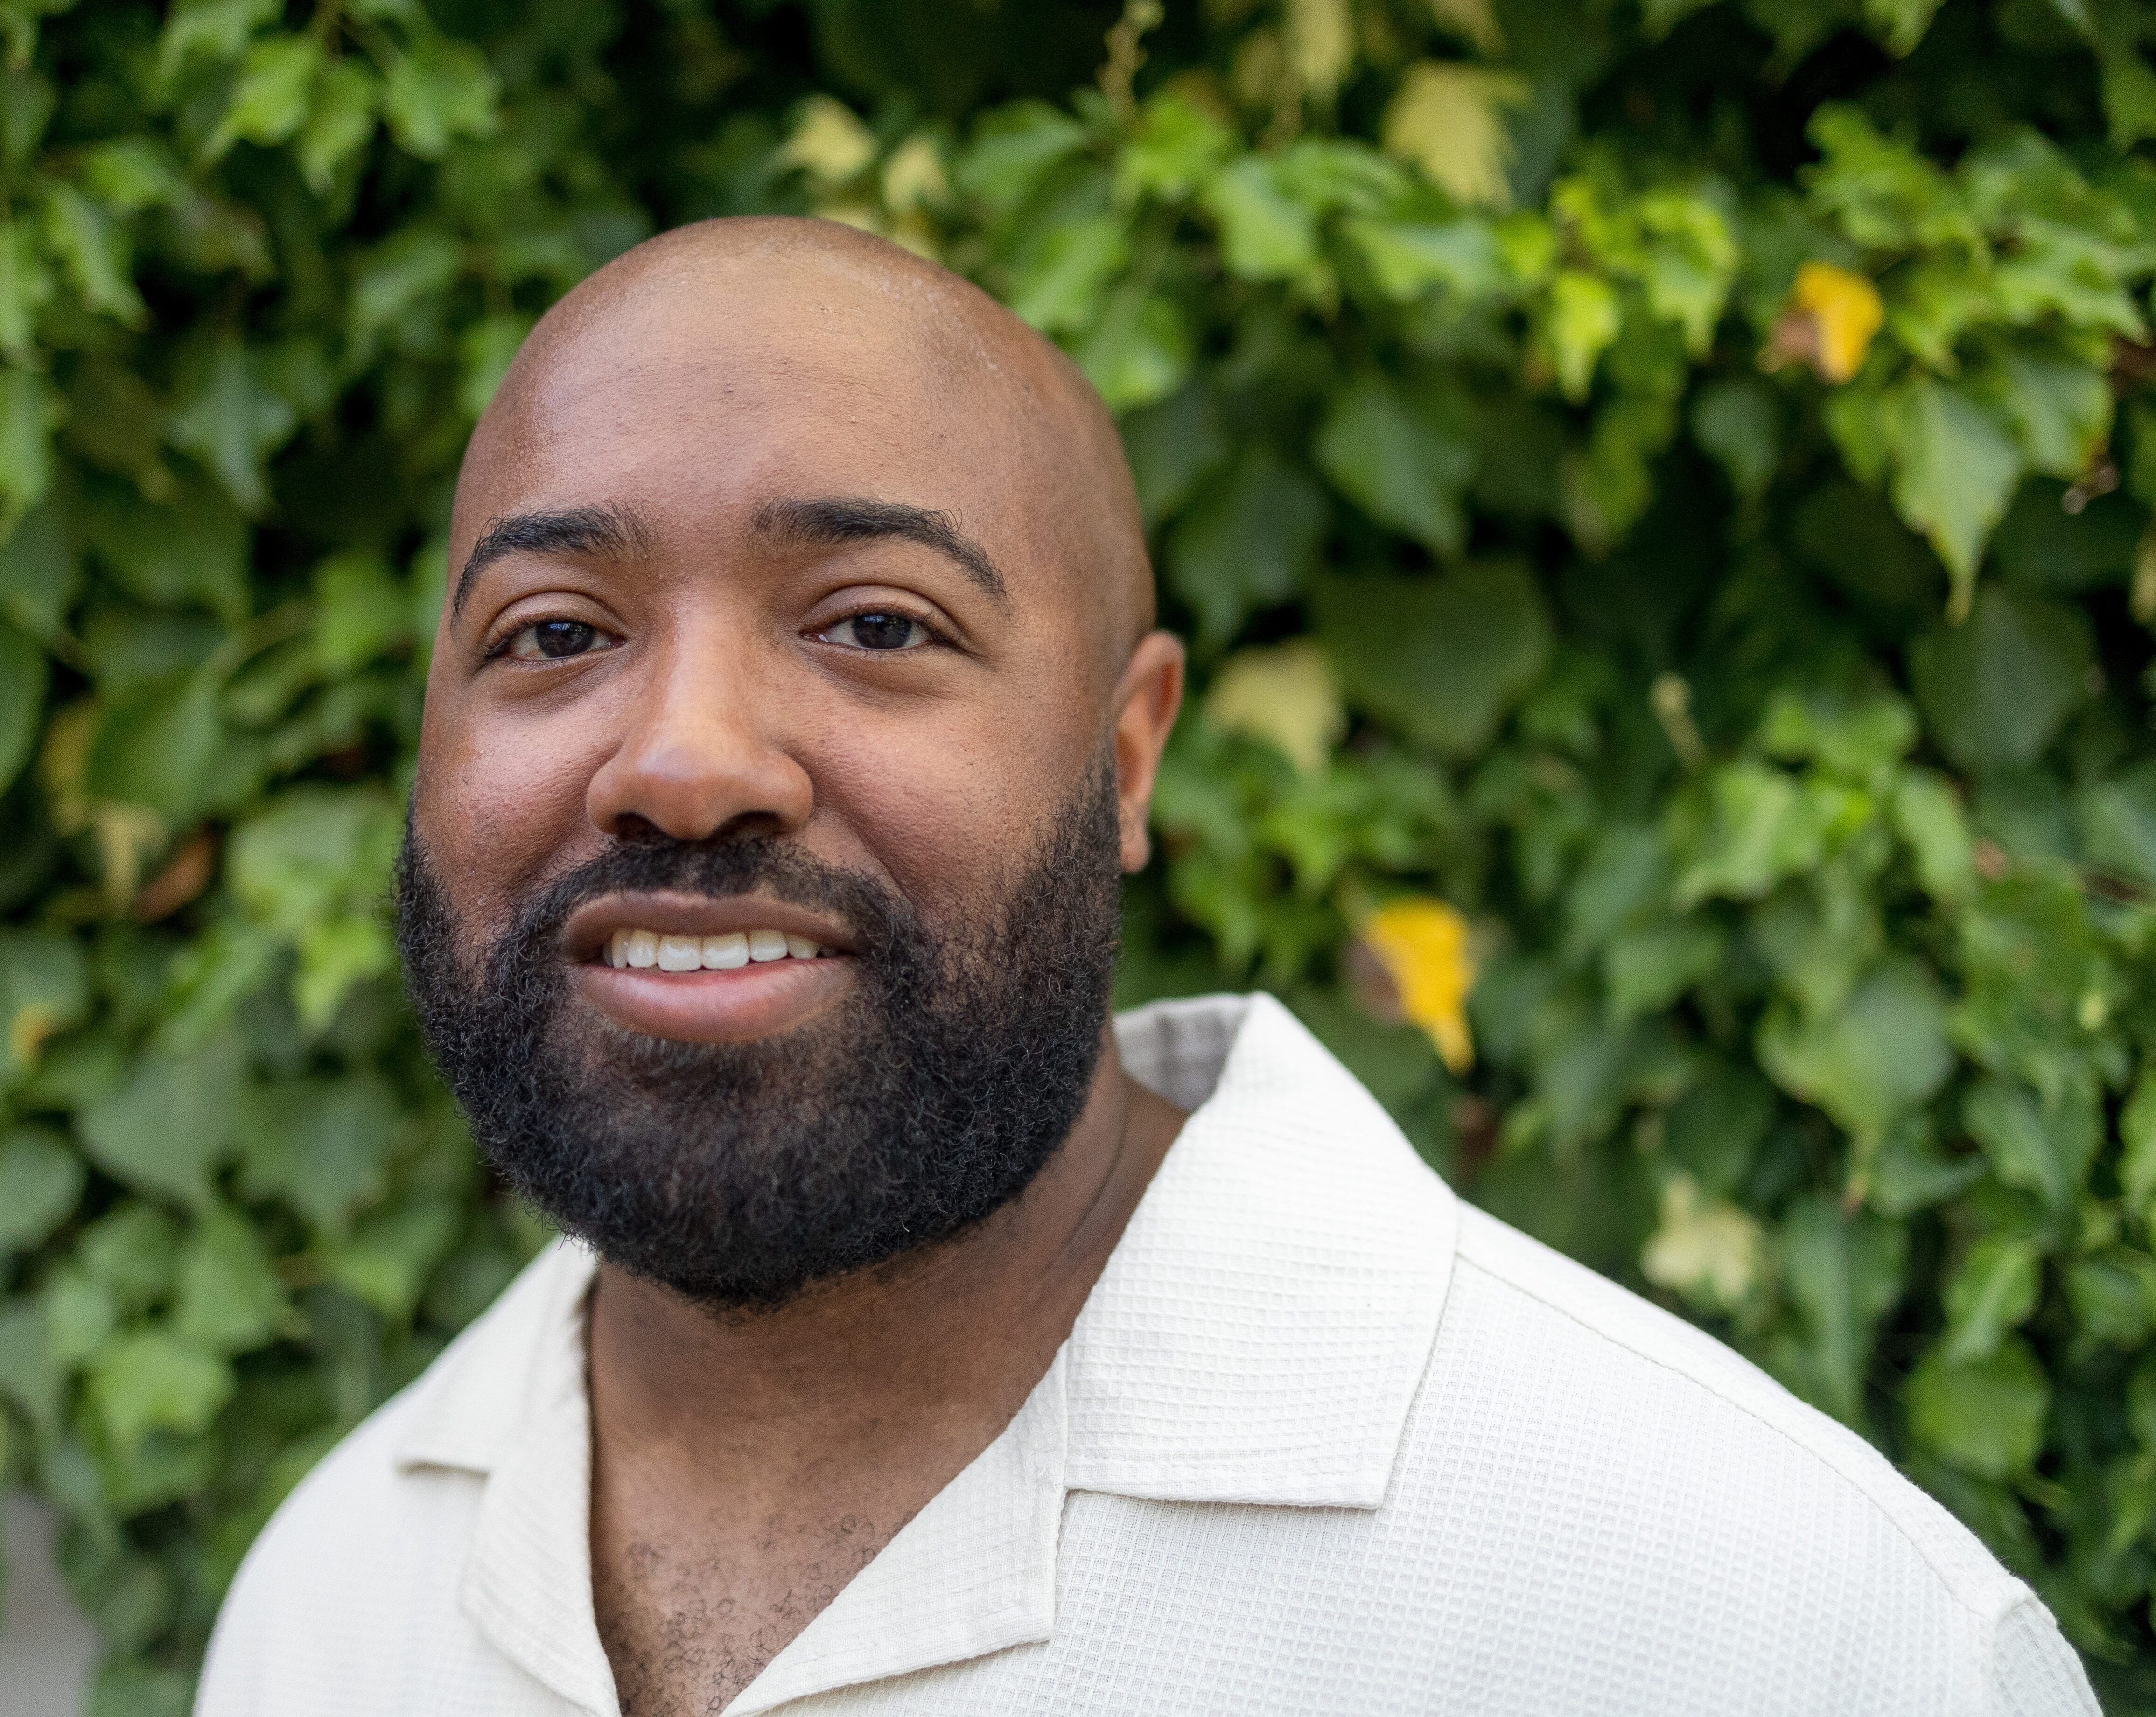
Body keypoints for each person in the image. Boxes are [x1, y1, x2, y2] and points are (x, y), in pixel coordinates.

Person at [195, 217, 2097, 1717]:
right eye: (551, 631)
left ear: (1126, 753)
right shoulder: (326, 1593)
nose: (688, 757)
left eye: (873, 621)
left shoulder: (1783, 1631)